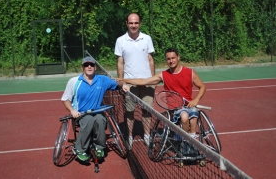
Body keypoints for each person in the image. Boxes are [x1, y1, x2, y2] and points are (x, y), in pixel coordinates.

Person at [121, 47, 206, 138]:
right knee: (185, 116)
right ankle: (186, 141)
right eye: (168, 59)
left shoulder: (190, 73)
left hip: (189, 105)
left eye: (173, 58)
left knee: (193, 116)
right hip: (175, 108)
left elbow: (202, 86)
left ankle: (192, 139)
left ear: (178, 57)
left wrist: (196, 100)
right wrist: (124, 80)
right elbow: (143, 81)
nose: (171, 61)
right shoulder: (163, 75)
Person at [61, 56, 128, 161]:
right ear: (82, 67)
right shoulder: (74, 82)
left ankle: (99, 147)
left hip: (97, 112)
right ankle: (79, 148)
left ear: (95, 67)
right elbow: (65, 99)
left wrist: (123, 84)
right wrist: (72, 110)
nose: (89, 67)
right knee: (89, 120)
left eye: (91, 65)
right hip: (81, 114)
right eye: (86, 65)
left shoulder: (102, 80)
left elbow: (118, 82)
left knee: (100, 120)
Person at [114, 13, 155, 148]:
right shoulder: (120, 40)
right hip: (130, 83)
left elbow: (150, 59)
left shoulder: (147, 38)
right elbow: (120, 63)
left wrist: (153, 79)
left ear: (140, 24)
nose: (134, 25)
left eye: (136, 23)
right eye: (131, 23)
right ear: (127, 23)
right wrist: (122, 81)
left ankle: (147, 136)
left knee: (147, 110)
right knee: (130, 111)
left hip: (146, 82)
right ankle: (129, 136)